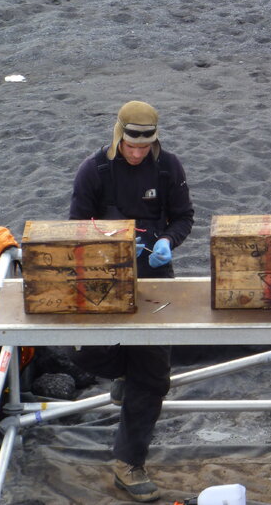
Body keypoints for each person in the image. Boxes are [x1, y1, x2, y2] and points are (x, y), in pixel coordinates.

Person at [69, 100, 194, 502]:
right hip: (104, 277)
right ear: (117, 135)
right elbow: (75, 229)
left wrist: (166, 242)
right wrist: (109, 246)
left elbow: (184, 217)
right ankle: (124, 374)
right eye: (131, 146)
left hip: (154, 276)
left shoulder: (169, 167)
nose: (137, 154)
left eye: (145, 147)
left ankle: (128, 464)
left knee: (154, 375)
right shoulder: (94, 172)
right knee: (88, 355)